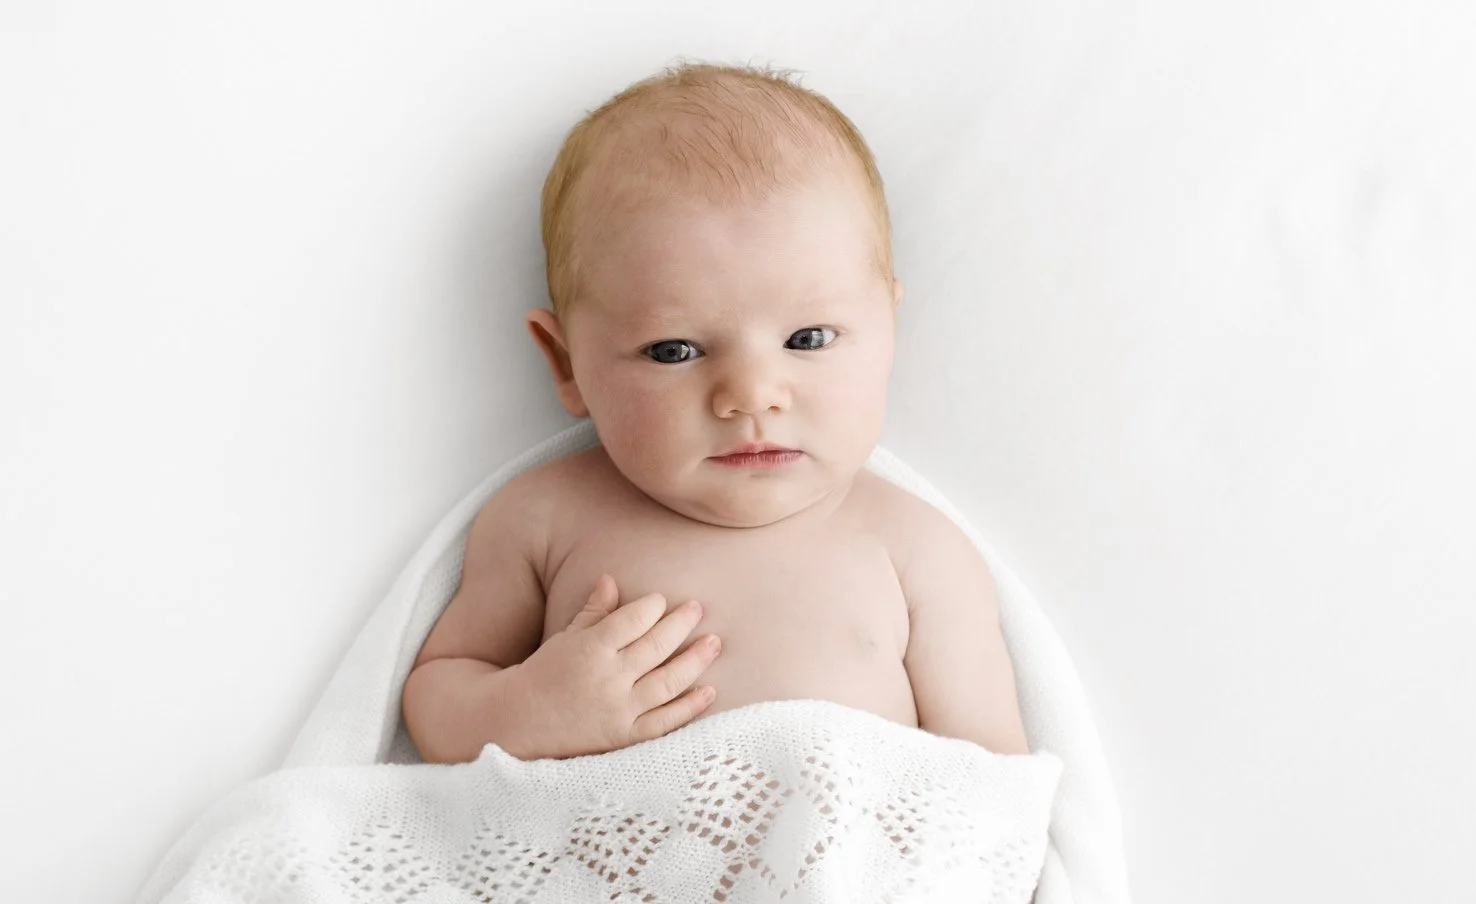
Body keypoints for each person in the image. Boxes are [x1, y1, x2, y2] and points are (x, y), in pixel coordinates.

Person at [401, 62, 1028, 764]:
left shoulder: (916, 550)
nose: (752, 395)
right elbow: (436, 695)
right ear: (567, 361)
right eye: (675, 350)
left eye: (808, 339)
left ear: (887, 328)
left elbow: (992, 785)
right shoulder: (542, 519)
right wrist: (533, 710)